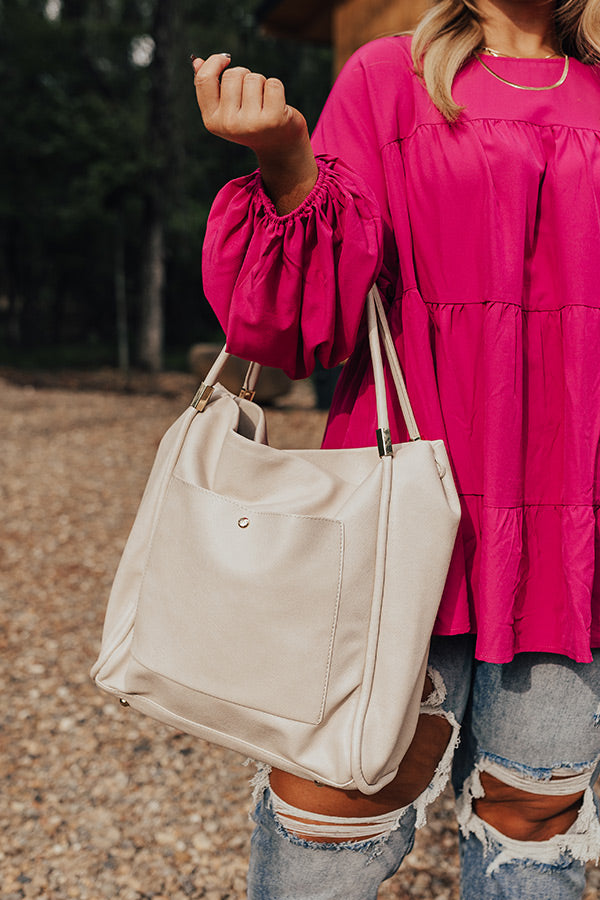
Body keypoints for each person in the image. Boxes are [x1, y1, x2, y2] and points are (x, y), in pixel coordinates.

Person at [192, 0, 600, 895]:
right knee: (333, 809)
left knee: (538, 817)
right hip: (405, 505)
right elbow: (306, 326)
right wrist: (286, 162)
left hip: (575, 520)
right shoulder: (388, 78)